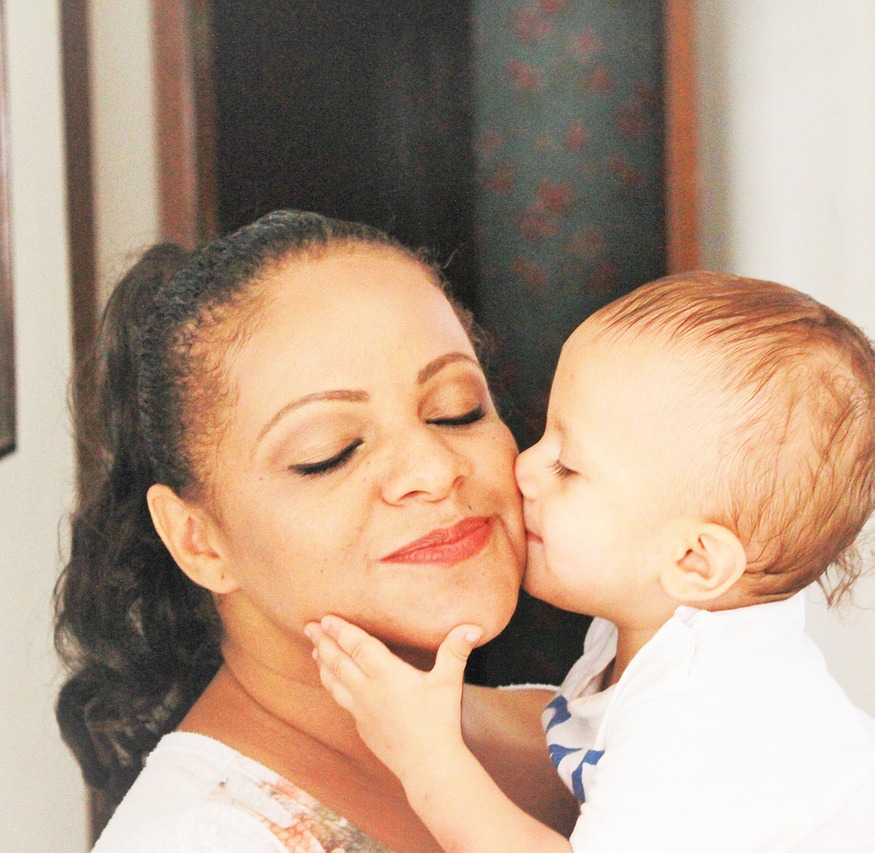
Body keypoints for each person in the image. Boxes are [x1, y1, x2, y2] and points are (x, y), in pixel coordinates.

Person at [309, 271, 875, 851]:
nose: (524, 466)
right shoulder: (665, 629)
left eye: (568, 467)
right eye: (545, 434)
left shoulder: (702, 717)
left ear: (694, 559)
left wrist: (428, 760)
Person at [54, 210, 577, 851]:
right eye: (330, 452)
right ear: (198, 539)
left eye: (456, 411)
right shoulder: (199, 838)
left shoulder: (603, 733)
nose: (435, 471)